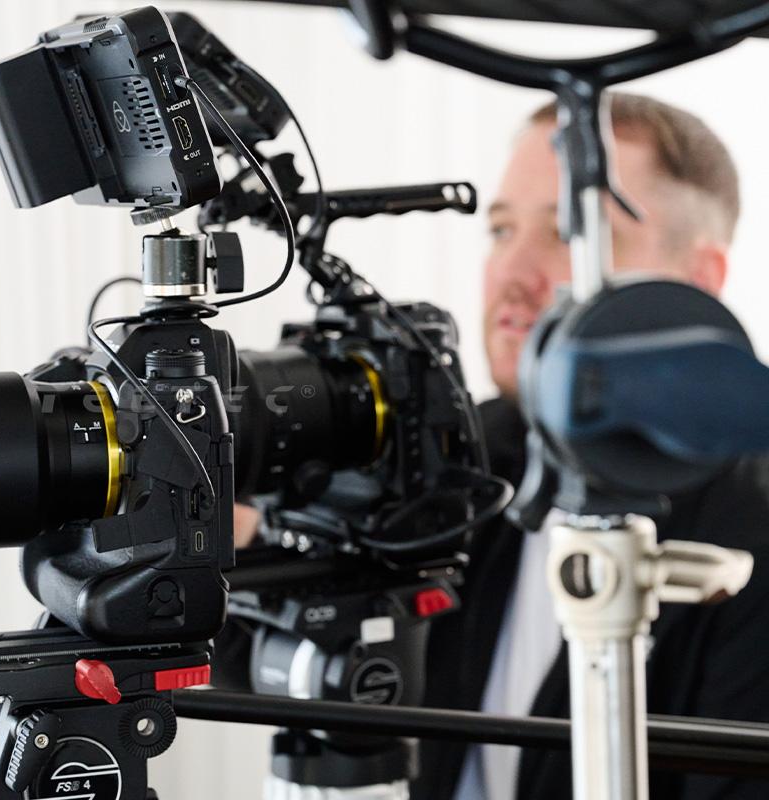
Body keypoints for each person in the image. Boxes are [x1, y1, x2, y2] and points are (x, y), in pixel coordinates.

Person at [235, 93, 769, 799]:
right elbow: (276, 653)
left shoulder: (755, 524)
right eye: (501, 229)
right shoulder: (460, 451)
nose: (512, 272)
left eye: (569, 233)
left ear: (699, 282)